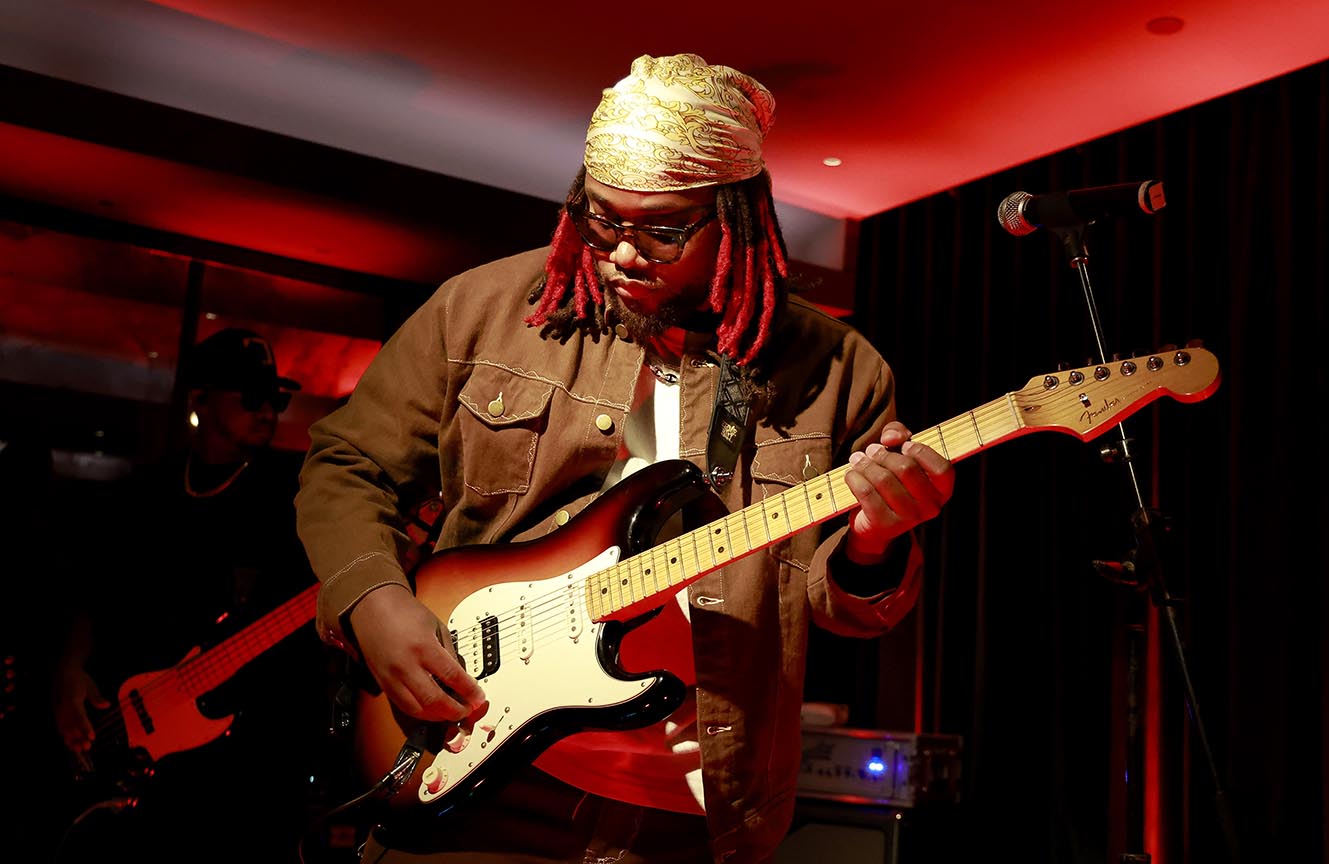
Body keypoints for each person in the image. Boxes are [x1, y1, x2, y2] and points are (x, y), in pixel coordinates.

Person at [295, 53, 956, 864]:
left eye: (664, 229)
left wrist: (874, 542)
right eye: (602, 218)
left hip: (687, 812)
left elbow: (843, 604)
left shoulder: (837, 370)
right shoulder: (482, 311)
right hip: (468, 766)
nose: (624, 252)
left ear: (738, 216)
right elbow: (346, 464)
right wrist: (374, 606)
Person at [49, 327, 332, 863]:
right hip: (133, 756)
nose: (268, 409)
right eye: (250, 396)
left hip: (244, 774)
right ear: (199, 399)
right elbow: (89, 589)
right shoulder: (145, 494)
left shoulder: (295, 498)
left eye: (276, 398)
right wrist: (69, 668)